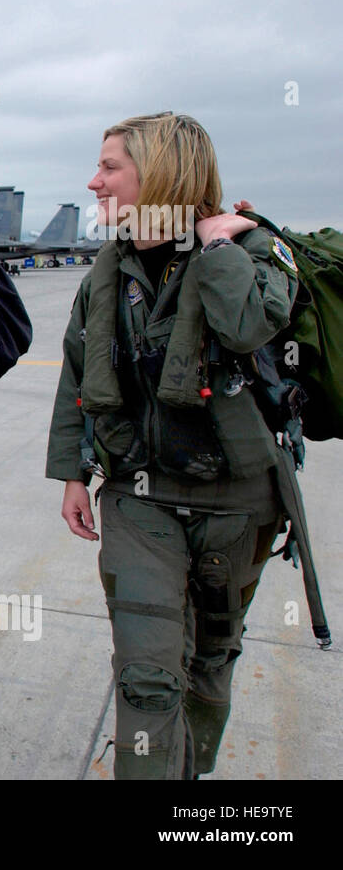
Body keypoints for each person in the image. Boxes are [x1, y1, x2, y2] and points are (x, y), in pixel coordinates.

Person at [46, 112, 302, 779]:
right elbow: (78, 373)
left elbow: (246, 324)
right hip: (141, 496)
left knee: (208, 666)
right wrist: (74, 472)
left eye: (110, 167)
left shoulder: (254, 254)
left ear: (159, 172)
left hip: (237, 502)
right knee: (146, 676)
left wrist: (217, 251)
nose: (93, 181)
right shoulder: (107, 273)